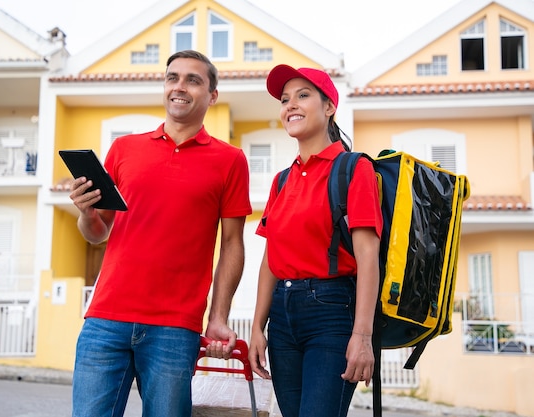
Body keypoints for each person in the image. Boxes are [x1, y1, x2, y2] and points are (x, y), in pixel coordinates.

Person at [68, 50, 252, 417]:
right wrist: (86, 212)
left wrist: (218, 316)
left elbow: (232, 244)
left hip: (174, 326)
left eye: (192, 80)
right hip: (105, 320)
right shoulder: (124, 149)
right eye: (172, 78)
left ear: (212, 95)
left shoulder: (230, 160)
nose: (179, 87)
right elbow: (97, 232)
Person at [248, 65, 383, 417]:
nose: (290, 105)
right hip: (282, 316)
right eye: (284, 99)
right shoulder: (280, 181)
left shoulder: (354, 169)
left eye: (303, 95)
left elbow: (368, 256)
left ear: (329, 107)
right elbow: (270, 261)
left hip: (332, 313)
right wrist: (257, 329)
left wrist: (363, 337)